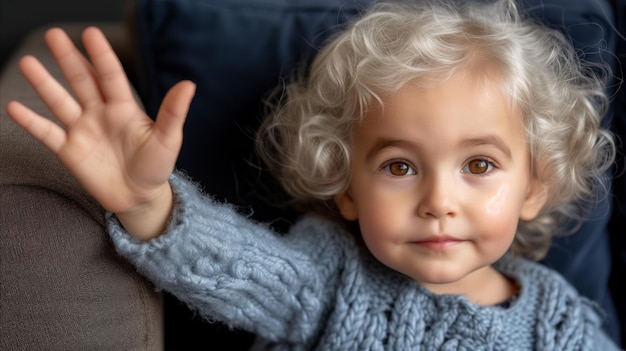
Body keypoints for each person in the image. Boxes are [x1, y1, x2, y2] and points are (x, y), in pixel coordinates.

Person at [5, 0, 622, 349]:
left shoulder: (560, 323)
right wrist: (146, 201)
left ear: (534, 186)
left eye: (480, 165)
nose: (439, 200)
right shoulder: (328, 277)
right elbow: (229, 265)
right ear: (348, 189)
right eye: (400, 166)